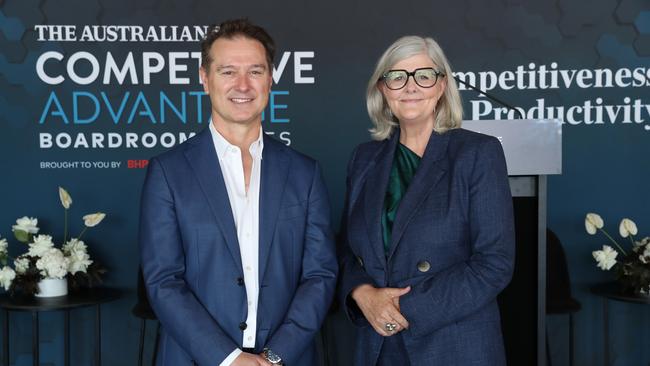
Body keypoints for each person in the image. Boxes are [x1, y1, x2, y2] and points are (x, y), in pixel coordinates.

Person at [139, 19, 337, 366]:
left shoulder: (305, 173)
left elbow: (319, 275)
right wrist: (229, 359)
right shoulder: (168, 173)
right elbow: (163, 282)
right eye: (228, 71)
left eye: (255, 72)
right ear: (205, 77)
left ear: (270, 79)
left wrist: (275, 357)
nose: (242, 85)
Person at [337, 35, 515, 366]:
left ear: (442, 86)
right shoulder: (363, 159)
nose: (410, 86)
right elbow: (347, 251)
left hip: (452, 347)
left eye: (424, 75)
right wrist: (362, 295)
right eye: (397, 76)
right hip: (377, 347)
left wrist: (401, 309)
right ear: (382, 89)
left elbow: (494, 263)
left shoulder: (478, 153)